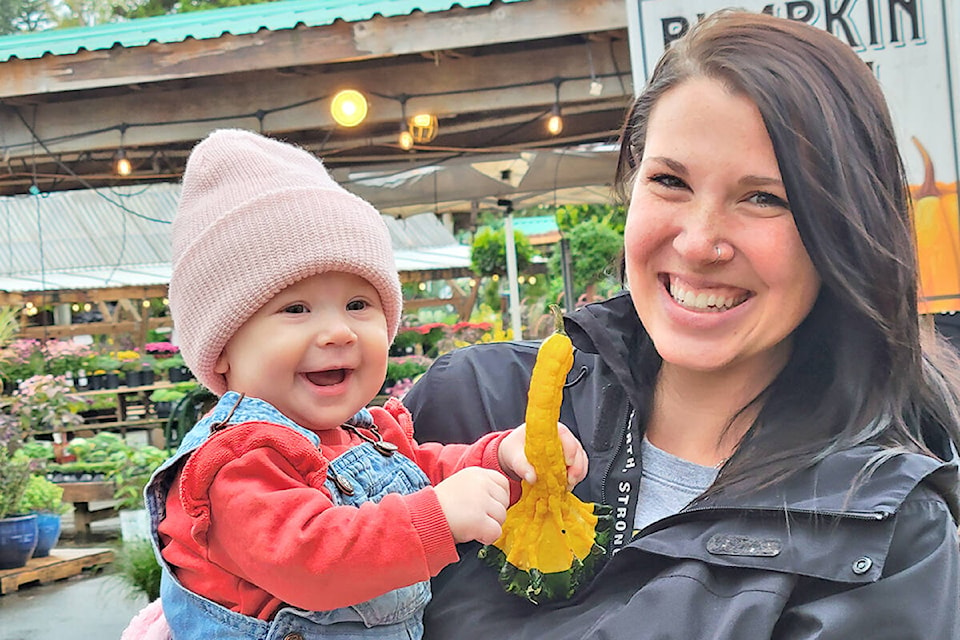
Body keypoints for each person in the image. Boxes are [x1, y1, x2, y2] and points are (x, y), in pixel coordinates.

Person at [405, 10, 960, 639]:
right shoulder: (472, 401)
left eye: (764, 198)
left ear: (845, 229)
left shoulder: (890, 540)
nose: (698, 244)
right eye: (670, 181)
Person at [129, 129, 588, 639]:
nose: (339, 331)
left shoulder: (365, 434)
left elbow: (427, 471)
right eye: (296, 309)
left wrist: (500, 459)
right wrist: (434, 518)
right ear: (224, 349)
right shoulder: (238, 463)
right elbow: (310, 560)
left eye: (358, 305)